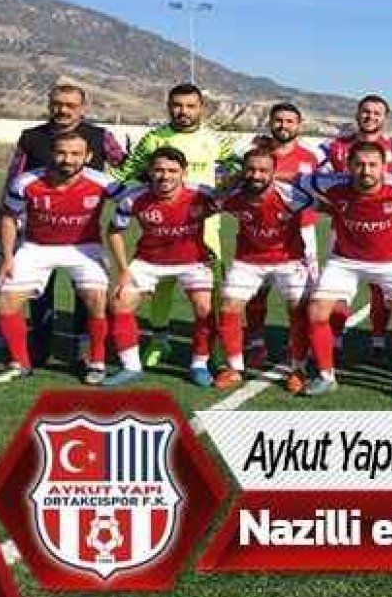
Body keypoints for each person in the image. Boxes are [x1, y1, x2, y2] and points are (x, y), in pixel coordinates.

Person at [112, 83, 240, 368]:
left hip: (205, 227)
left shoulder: (215, 139)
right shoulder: (153, 139)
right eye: (177, 105)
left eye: (190, 106)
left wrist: (225, 183)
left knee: (211, 292)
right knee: (162, 287)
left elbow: (236, 167)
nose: (183, 111)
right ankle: (160, 342)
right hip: (161, 227)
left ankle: (213, 348)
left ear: (201, 108)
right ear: (169, 107)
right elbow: (127, 173)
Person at [298, 142, 392, 398]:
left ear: (384, 167)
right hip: (345, 260)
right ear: (349, 166)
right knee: (317, 311)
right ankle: (326, 376)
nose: (366, 170)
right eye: (359, 165)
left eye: (373, 165)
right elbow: (292, 179)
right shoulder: (329, 184)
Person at [2, 84, 123, 368]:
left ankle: (84, 349)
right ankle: (40, 346)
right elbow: (14, 177)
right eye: (57, 104)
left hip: (83, 232)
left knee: (88, 296)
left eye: (70, 105)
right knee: (39, 295)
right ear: (49, 104)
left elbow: (126, 166)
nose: (63, 110)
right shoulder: (32, 137)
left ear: (83, 108)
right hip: (38, 230)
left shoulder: (101, 136)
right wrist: (7, 227)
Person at [0, 132, 119, 385]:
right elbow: (8, 216)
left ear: (88, 157)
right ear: (51, 154)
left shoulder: (104, 182)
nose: (67, 159)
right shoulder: (26, 181)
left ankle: (97, 362)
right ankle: (20, 364)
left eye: (75, 154)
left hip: (84, 248)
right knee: (6, 301)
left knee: (96, 299)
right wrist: (7, 257)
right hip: (36, 247)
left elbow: (137, 200)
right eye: (61, 153)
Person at [104, 147, 220, 387]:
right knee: (119, 302)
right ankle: (131, 366)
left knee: (205, 308)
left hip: (193, 262)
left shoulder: (202, 194)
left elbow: (238, 204)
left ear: (184, 172)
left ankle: (199, 364)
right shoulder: (133, 198)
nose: (165, 176)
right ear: (149, 171)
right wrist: (124, 270)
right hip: (148, 262)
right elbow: (114, 231)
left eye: (172, 171)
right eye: (158, 170)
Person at [214, 147, 316, 394]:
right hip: (248, 260)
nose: (256, 175)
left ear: (274, 172)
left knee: (298, 307)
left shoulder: (292, 195)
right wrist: (228, 183)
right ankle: (234, 368)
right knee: (229, 307)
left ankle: (298, 368)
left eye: (263, 170)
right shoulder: (233, 196)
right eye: (250, 170)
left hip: (288, 260)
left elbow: (325, 202)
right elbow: (211, 201)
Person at [318, 94, 392, 362]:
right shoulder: (335, 146)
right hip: (346, 226)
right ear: (358, 114)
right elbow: (313, 173)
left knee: (380, 290)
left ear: (385, 118)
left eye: (376, 113)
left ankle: (378, 340)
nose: (370, 117)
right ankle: (335, 339)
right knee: (340, 288)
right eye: (366, 112)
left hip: (386, 227)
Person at [239, 103, 324, 369]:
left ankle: (295, 347)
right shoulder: (256, 154)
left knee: (300, 296)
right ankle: (255, 344)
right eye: (278, 120)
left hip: (301, 232)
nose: (283, 125)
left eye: (289, 121)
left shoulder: (311, 159)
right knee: (256, 293)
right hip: (257, 231)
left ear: (299, 125)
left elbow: (321, 191)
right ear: (270, 123)